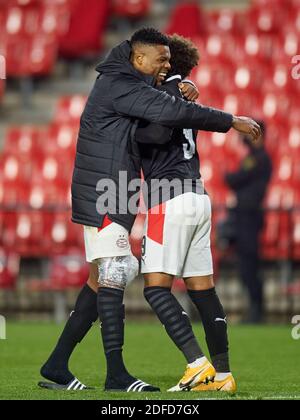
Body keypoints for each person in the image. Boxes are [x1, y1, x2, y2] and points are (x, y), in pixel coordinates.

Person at [39, 27, 260, 392]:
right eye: (161, 60)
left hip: (120, 189)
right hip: (105, 190)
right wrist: (229, 120)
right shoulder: (120, 84)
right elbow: (164, 114)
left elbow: (160, 113)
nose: (166, 65)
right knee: (117, 269)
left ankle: (57, 364)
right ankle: (116, 375)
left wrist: (176, 88)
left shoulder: (131, 82)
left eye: (171, 62)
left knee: (100, 279)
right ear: (139, 59)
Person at [136, 34, 238, 392]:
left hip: (169, 196)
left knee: (156, 288)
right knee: (202, 290)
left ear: (165, 65)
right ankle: (223, 376)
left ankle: (196, 364)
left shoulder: (161, 95)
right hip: (198, 194)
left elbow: (153, 135)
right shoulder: (185, 92)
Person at [225, 123, 272, 323]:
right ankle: (254, 309)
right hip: (244, 217)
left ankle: (257, 310)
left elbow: (236, 178)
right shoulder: (255, 158)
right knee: (245, 265)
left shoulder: (259, 158)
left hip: (249, 217)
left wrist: (229, 176)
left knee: (250, 264)